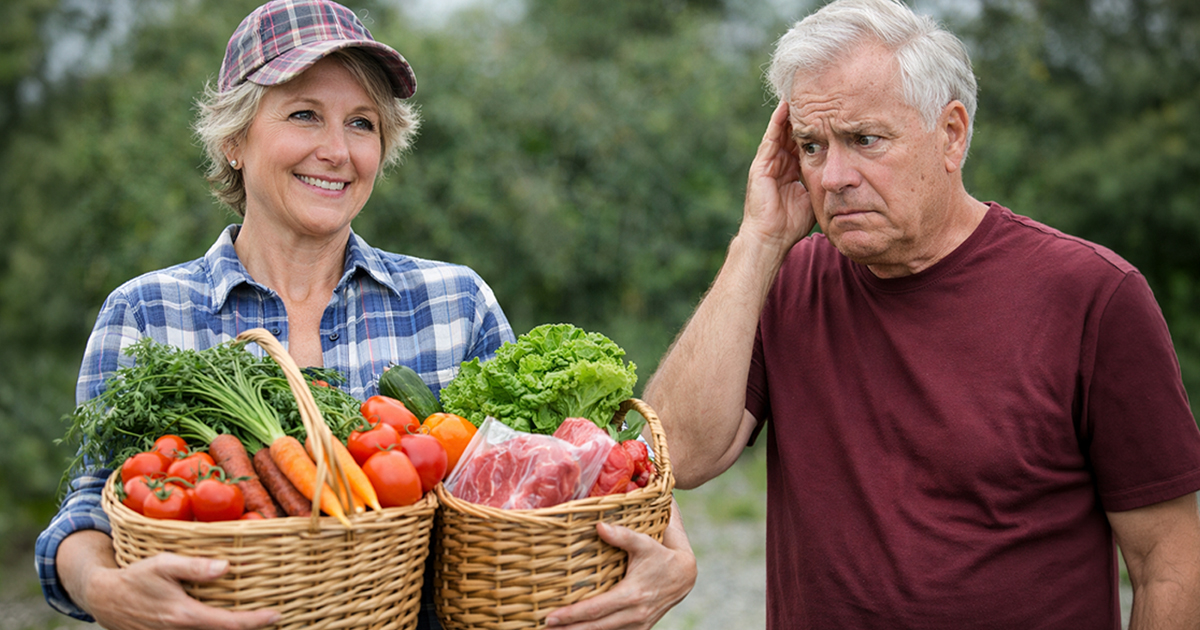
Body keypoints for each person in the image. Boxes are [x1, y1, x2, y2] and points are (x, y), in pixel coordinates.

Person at [34, 1, 695, 629]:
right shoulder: (147, 311)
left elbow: (568, 464)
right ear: (234, 139)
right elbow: (92, 506)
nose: (337, 151)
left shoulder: (453, 303)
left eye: (361, 124)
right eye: (303, 115)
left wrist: (673, 549)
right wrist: (103, 588)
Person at [642, 0, 1200, 628]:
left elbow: (1171, 563)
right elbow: (676, 459)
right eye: (812, 146)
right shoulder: (788, 281)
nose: (833, 177)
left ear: (952, 135)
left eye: (864, 140)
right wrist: (758, 241)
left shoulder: (1093, 296)